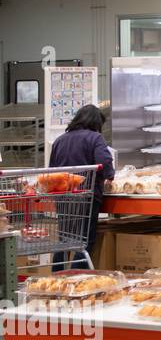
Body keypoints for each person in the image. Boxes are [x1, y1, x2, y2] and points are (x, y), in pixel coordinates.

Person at [48, 104, 115, 271]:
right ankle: (75, 278)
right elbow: (104, 161)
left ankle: (57, 277)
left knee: (65, 239)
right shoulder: (95, 138)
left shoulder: (59, 140)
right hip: (86, 196)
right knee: (83, 240)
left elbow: (52, 169)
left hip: (63, 197)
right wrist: (110, 176)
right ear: (96, 122)